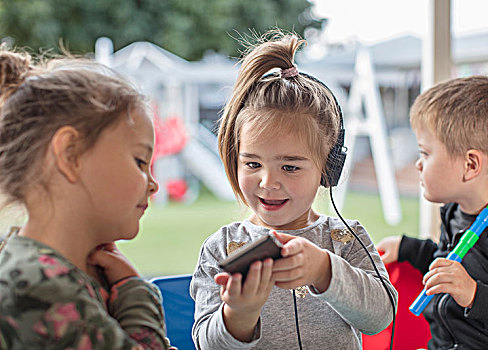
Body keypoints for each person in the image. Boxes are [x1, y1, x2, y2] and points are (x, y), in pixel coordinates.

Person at [190, 31, 397, 349]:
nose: (267, 182)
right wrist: (238, 315)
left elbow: (381, 316)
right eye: (253, 164)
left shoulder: (345, 239)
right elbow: (207, 344)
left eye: (290, 167)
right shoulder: (222, 249)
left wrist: (324, 270)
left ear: (327, 169)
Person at [0, 49, 173, 349]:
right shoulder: (41, 288)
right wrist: (135, 294)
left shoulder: (39, 268)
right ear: (70, 155)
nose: (153, 184)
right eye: (139, 161)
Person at [377, 74, 488, 349]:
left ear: (470, 165)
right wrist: (408, 248)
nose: (418, 164)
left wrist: (474, 295)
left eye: (425, 153)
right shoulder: (454, 212)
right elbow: (446, 265)